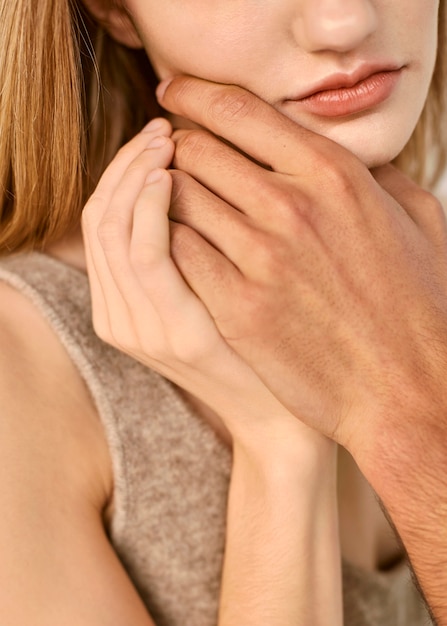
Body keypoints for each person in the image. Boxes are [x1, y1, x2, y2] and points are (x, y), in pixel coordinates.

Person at [0, 2, 445, 626]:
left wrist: (414, 404)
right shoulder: (20, 374)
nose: (343, 22)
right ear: (115, 12)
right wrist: (281, 443)